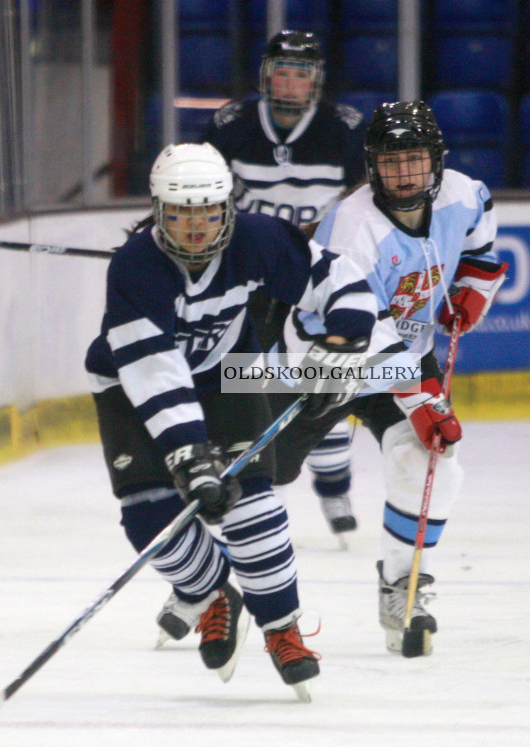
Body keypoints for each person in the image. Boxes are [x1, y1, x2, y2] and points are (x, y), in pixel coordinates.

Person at [84, 142, 379, 694]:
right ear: (157, 209)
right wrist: (190, 453)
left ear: (227, 207)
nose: (196, 225)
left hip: (227, 371)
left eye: (207, 210)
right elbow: (155, 371)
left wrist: (342, 341)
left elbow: (343, 283)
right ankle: (216, 592)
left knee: (253, 504)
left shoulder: (257, 239)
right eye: (180, 211)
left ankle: (281, 627)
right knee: (149, 518)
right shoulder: (136, 266)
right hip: (129, 386)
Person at [268, 101, 508, 658]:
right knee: (263, 474)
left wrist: (474, 286)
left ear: (437, 162)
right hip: (321, 360)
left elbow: (481, 240)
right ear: (371, 167)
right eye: (391, 162)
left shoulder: (463, 194)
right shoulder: (351, 227)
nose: (404, 174)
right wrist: (420, 393)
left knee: (430, 458)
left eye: (415, 161)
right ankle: (210, 583)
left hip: (406, 355)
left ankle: (402, 587)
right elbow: (359, 327)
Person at [202, 29, 367, 539]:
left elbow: (363, 201)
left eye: (301, 73)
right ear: (264, 75)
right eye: (281, 71)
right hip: (249, 274)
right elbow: (194, 189)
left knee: (321, 380)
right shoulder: (230, 125)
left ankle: (334, 485)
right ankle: (244, 475)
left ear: (315, 81)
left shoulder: (344, 130)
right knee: (244, 376)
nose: (290, 83)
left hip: (309, 273)